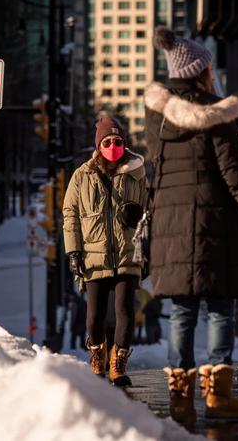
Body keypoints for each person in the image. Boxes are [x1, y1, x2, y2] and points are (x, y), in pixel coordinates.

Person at [145, 26, 238, 422]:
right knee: (220, 308)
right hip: (216, 226)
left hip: (171, 226)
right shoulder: (218, 117)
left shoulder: (157, 122)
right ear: (202, 73)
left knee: (183, 311)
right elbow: (236, 176)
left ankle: (180, 400)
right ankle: (218, 396)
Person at [62, 117, 148, 387]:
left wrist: (139, 216)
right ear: (98, 145)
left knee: (125, 310)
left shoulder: (137, 173)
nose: (113, 146)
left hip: (127, 253)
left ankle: (118, 364)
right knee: (94, 316)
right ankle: (98, 355)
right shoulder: (81, 175)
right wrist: (74, 252)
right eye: (107, 142)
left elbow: (149, 213)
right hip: (94, 255)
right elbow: (70, 215)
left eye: (118, 141)